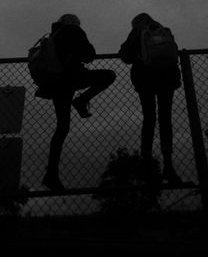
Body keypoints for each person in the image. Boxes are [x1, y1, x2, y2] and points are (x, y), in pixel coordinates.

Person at [37, 14, 116, 191]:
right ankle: (82, 100)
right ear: (74, 22)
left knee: (62, 127)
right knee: (109, 75)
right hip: (73, 77)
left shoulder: (53, 35)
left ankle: (51, 174)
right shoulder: (73, 30)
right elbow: (89, 54)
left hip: (57, 83)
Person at [118, 13, 182, 185]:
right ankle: (168, 166)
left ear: (136, 23)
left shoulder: (138, 31)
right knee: (165, 119)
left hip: (145, 78)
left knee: (149, 118)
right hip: (167, 77)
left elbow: (125, 55)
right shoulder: (163, 30)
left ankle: (147, 166)